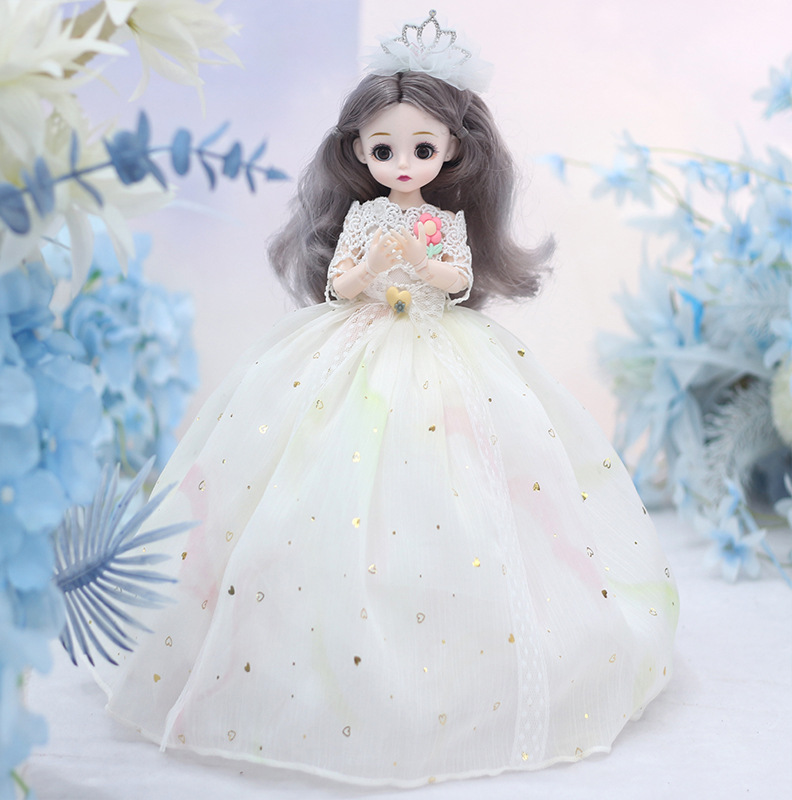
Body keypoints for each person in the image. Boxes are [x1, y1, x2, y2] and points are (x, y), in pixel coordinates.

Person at [104, 10, 678, 787]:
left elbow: (460, 279)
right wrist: (373, 264)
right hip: (355, 346)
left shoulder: (444, 221)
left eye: (421, 149)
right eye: (383, 149)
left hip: (441, 350)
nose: (402, 163)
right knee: (318, 477)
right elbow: (339, 284)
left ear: (452, 152)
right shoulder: (365, 217)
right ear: (357, 152)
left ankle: (464, 658)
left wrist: (426, 264)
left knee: (457, 488)